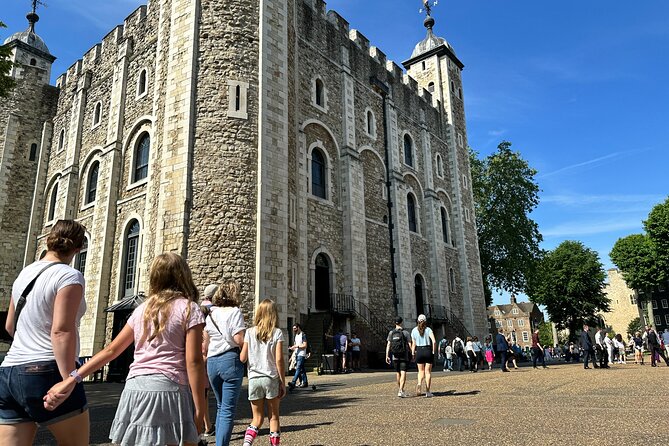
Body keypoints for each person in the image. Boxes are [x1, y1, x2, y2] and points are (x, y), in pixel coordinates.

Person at [44, 252, 207, 446]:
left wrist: (73, 378)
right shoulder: (189, 308)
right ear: (184, 275)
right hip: (168, 388)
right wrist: (200, 408)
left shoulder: (142, 310)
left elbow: (111, 350)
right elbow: (194, 361)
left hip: (134, 389)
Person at [0, 220, 89, 446]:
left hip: (9, 372)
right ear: (78, 248)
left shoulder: (24, 274)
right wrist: (69, 378)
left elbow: (10, 326)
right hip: (46, 370)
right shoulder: (69, 276)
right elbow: (61, 330)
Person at [204, 280, 246, 446]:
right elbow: (238, 338)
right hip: (230, 360)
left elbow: (205, 344)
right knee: (228, 410)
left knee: (221, 406)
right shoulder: (235, 312)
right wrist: (247, 344)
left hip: (212, 363)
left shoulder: (211, 315)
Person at [239, 299, 285, 446]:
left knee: (257, 419)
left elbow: (243, 358)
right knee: (274, 417)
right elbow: (279, 360)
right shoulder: (277, 333)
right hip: (270, 378)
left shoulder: (249, 332)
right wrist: (283, 382)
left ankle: (247, 444)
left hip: (254, 378)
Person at [200, 284, 218, 438]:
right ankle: (207, 425)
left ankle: (206, 426)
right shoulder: (216, 311)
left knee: (199, 394)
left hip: (194, 357)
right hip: (210, 357)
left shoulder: (197, 309)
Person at [410, 314, 436, 397]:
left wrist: (413, 353)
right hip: (428, 350)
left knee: (420, 371)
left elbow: (413, 344)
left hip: (419, 351)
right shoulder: (428, 329)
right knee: (427, 372)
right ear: (425, 321)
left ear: (418, 321)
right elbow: (434, 341)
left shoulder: (414, 330)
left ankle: (419, 383)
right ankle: (428, 391)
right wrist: (433, 351)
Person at [386, 317, 411, 397]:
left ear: (395, 323)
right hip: (404, 355)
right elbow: (410, 344)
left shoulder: (391, 333)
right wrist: (413, 353)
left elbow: (388, 344)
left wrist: (387, 355)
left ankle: (400, 390)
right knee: (403, 372)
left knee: (398, 373)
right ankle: (401, 390)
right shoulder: (405, 332)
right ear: (401, 322)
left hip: (395, 355)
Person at [288, 324, 309, 389]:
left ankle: (293, 382)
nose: (294, 330)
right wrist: (292, 348)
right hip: (297, 354)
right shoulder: (296, 336)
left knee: (298, 369)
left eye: (295, 328)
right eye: (293, 328)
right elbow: (296, 345)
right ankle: (305, 382)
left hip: (301, 354)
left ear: (298, 328)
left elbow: (305, 345)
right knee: (302, 369)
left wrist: (296, 346)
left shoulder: (303, 335)